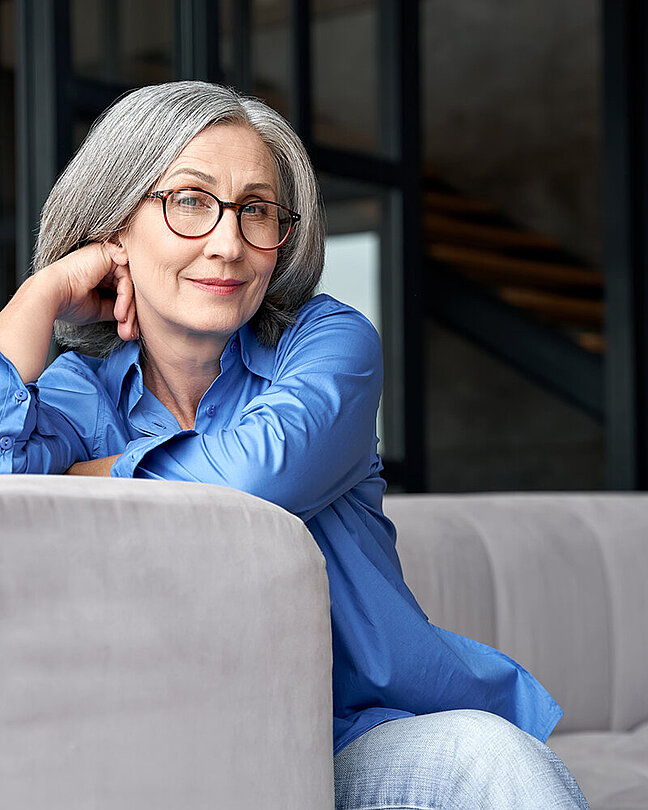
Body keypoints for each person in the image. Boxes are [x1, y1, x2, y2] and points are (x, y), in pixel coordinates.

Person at [0, 81, 588, 809]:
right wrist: (35, 298)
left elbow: (253, 481)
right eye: (189, 200)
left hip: (354, 739)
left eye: (255, 209)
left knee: (490, 760)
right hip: (166, 746)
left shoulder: (326, 341)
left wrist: (91, 479)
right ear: (114, 229)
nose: (227, 242)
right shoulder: (75, 396)